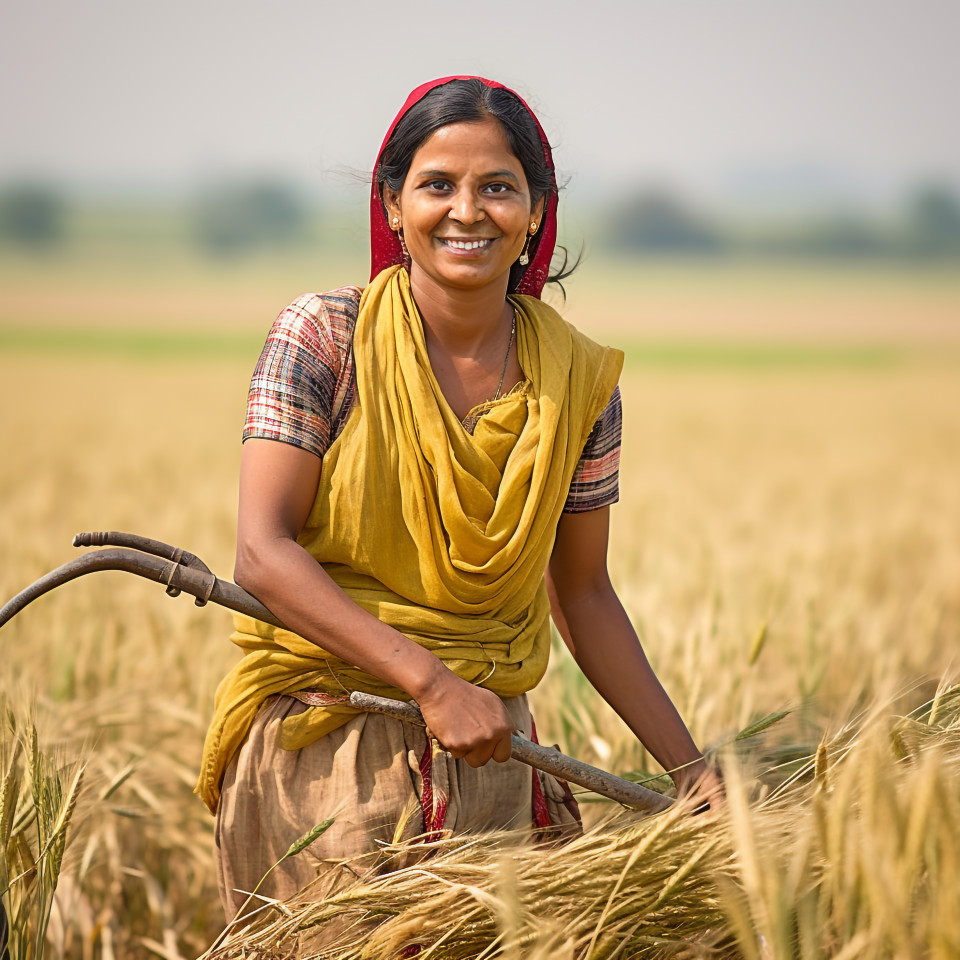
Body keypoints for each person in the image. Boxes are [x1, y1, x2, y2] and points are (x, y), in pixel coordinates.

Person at [196, 76, 723, 921]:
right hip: (328, 751)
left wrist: (690, 771)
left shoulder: (579, 384)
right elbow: (264, 551)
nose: (467, 211)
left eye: (497, 187)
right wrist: (429, 683)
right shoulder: (325, 336)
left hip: (494, 759)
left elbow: (583, 594)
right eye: (438, 184)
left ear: (535, 212)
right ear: (393, 206)